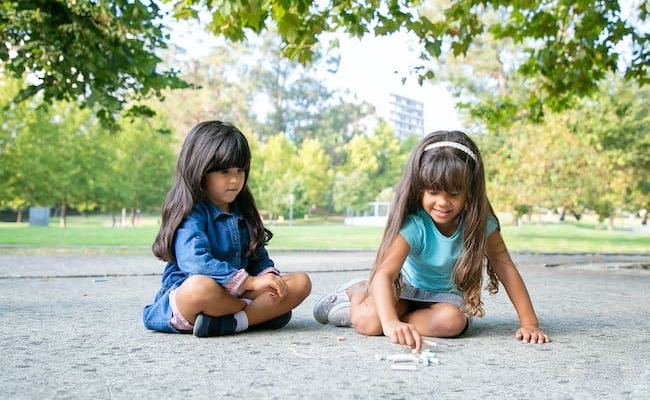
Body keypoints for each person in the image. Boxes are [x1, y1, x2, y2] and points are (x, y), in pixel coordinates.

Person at [313, 130, 550, 350]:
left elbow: (504, 266)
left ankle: (385, 315)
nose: (442, 203)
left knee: (452, 323)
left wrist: (529, 322)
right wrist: (389, 322)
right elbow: (384, 274)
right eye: (433, 192)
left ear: (470, 191)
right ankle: (358, 292)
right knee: (368, 324)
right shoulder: (414, 224)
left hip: (444, 298)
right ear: (419, 189)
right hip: (405, 290)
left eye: (454, 193)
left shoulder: (480, 223)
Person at [143, 120, 311, 336]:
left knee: (300, 282)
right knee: (200, 287)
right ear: (200, 170)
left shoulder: (244, 212)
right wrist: (250, 282)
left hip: (239, 296)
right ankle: (257, 315)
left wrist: (268, 279)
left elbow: (259, 259)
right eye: (224, 171)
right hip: (199, 298)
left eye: (240, 170)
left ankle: (233, 322)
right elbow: (195, 263)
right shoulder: (192, 214)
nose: (234, 179)